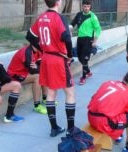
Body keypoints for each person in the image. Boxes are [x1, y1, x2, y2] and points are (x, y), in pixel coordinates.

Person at [26, 0, 76, 137]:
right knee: (70, 93)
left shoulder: (41, 17)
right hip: (58, 59)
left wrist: (42, 47)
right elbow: (66, 37)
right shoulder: (59, 18)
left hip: (46, 58)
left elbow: (29, 36)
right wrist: (70, 55)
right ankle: (71, 129)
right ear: (58, 2)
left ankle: (54, 128)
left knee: (51, 93)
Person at [88, 70, 128, 152]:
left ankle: (118, 135)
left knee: (118, 111)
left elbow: (93, 98)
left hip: (91, 117)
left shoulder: (108, 83)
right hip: (103, 124)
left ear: (123, 77)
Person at [7, 41, 47, 114]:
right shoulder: (27, 52)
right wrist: (39, 68)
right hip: (14, 75)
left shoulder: (39, 51)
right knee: (38, 77)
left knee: (43, 73)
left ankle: (45, 98)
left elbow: (44, 65)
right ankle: (37, 106)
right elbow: (33, 70)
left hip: (24, 73)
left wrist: (38, 67)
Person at [70, 0, 101, 85]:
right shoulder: (79, 15)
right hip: (80, 39)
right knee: (80, 58)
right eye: (85, 6)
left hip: (88, 40)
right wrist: (70, 28)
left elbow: (98, 29)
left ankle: (83, 77)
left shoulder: (93, 16)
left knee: (84, 59)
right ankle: (88, 71)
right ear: (82, 6)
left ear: (90, 7)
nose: (86, 8)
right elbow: (73, 23)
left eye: (88, 6)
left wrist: (95, 40)